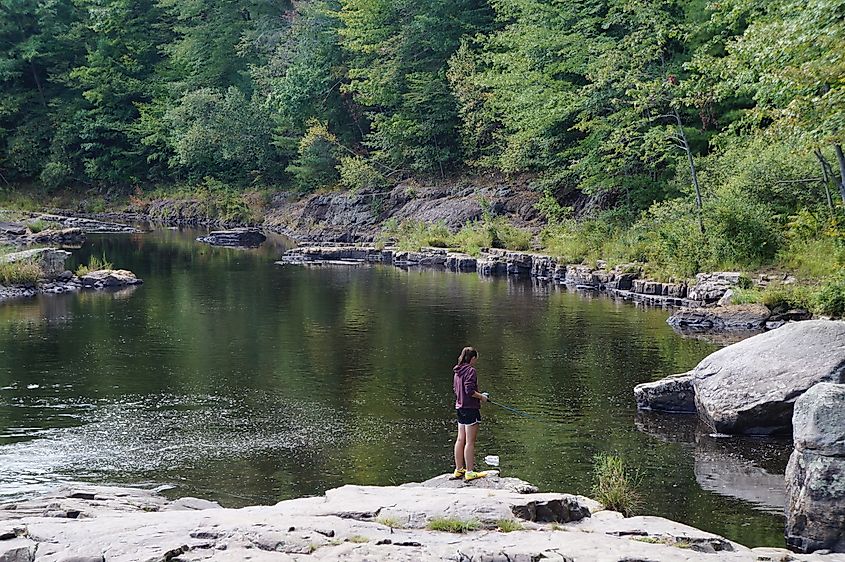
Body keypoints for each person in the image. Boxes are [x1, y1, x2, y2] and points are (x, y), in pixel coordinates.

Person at [452, 346, 489, 481]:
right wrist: (482, 397)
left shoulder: (457, 371)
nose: (475, 362)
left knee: (460, 439)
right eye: (475, 359)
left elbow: (456, 389)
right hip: (470, 409)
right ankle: (469, 471)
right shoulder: (471, 371)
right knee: (470, 442)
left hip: (459, 408)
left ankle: (458, 469)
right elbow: (469, 390)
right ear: (472, 358)